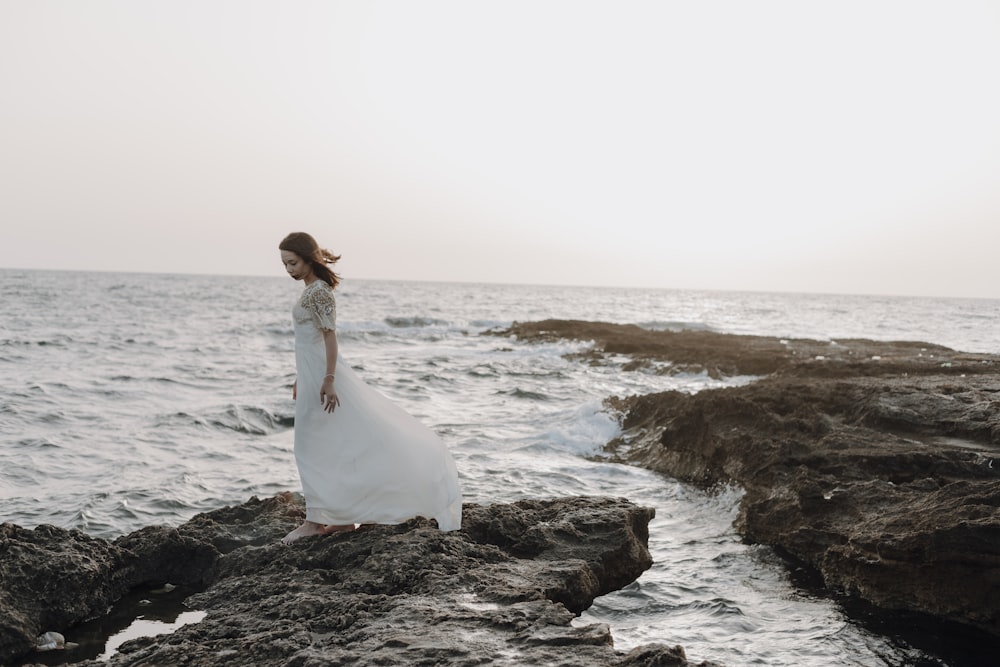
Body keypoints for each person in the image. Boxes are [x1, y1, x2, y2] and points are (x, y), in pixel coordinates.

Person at [278, 232, 463, 544]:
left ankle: (315, 521)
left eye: (293, 263)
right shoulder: (310, 291)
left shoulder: (320, 293)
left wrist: (328, 379)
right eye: (284, 264)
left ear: (309, 259)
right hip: (311, 376)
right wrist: (301, 377)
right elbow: (306, 342)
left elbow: (329, 338)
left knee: (313, 444)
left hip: (324, 378)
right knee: (327, 443)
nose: (289, 270)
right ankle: (339, 519)